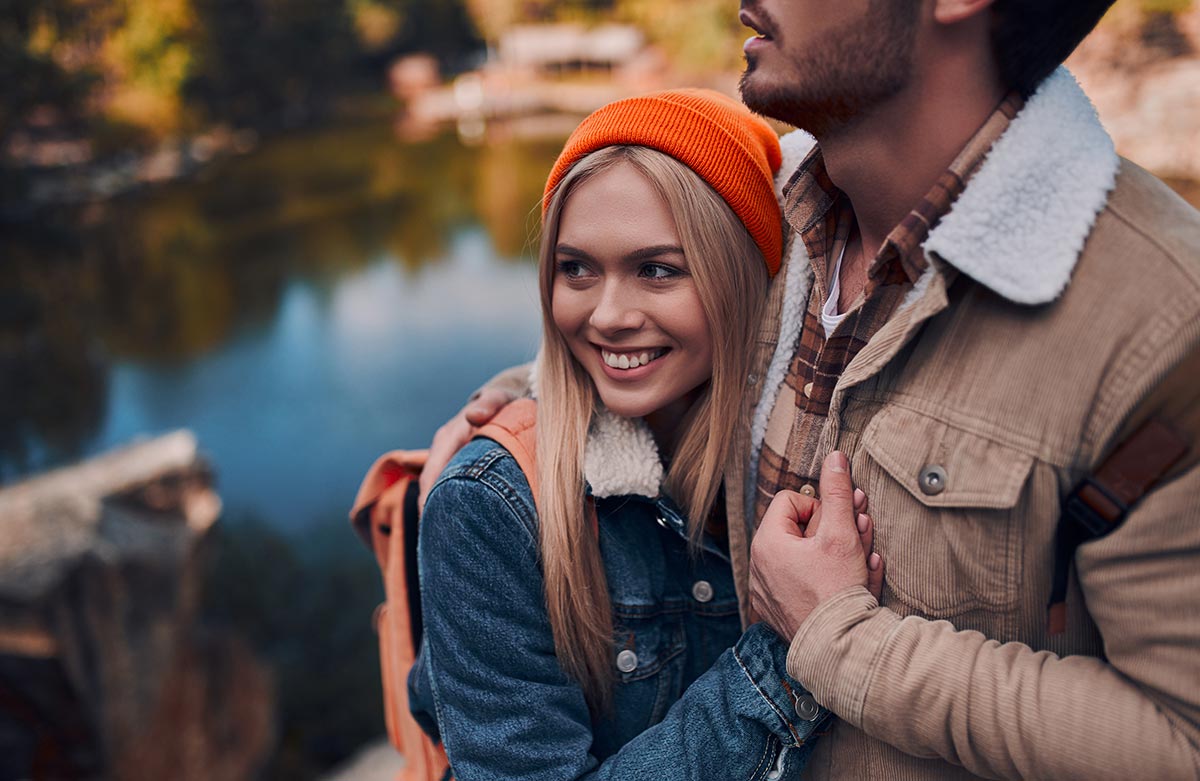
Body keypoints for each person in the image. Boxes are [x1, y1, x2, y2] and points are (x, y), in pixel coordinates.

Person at [425, 1, 1200, 778]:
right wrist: (527, 406)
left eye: (656, 268)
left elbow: (1183, 742)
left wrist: (838, 639)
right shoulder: (771, 209)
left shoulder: (1163, 322)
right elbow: (654, 311)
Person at [410, 89, 881, 781]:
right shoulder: (490, 506)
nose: (606, 316)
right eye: (577, 269)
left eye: (656, 270)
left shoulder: (788, 443)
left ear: (743, 277)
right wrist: (788, 652)